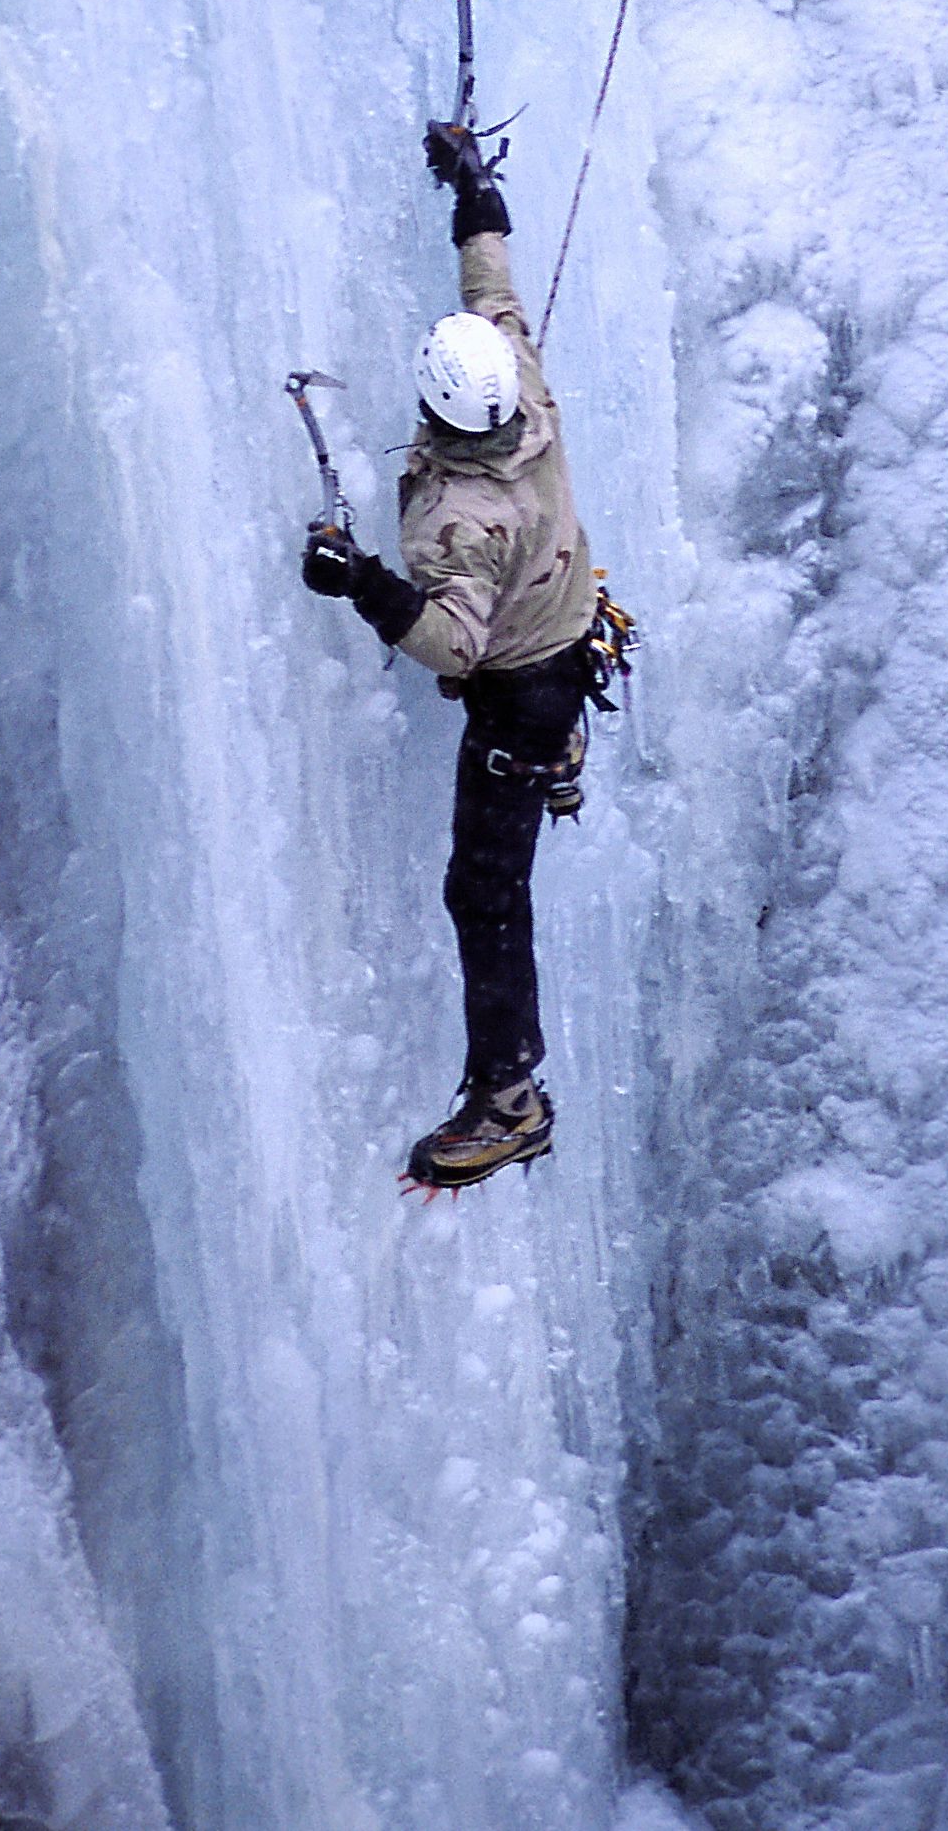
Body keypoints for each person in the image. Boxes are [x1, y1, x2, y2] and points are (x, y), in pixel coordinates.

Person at [301, 117, 599, 1188]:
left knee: (482, 892)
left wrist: (361, 582)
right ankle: (564, 740)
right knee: (537, 707)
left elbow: (450, 642)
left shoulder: (462, 518)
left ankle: (506, 1097)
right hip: (565, 627)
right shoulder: (519, 373)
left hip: (517, 689)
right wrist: (472, 186)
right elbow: (493, 281)